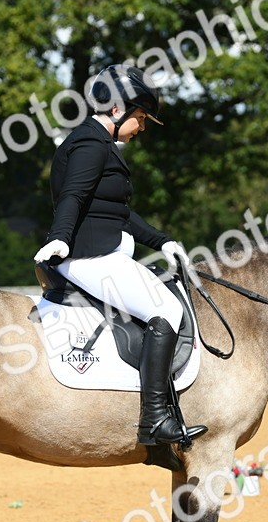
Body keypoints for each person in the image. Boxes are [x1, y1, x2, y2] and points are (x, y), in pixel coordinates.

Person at [33, 64, 205, 447]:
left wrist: (161, 241)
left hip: (102, 252)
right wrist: (60, 238)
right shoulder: (91, 144)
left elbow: (118, 212)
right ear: (116, 109)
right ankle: (154, 420)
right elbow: (73, 197)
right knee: (168, 311)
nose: (141, 127)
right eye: (140, 117)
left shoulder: (99, 142)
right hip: (89, 258)